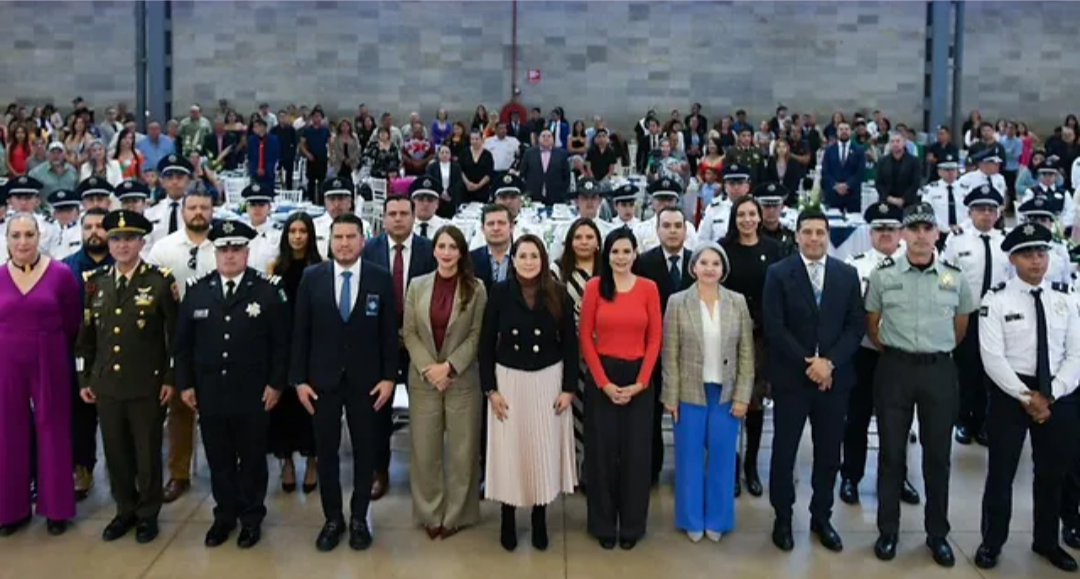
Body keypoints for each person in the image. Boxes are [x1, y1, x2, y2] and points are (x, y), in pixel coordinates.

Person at [865, 202, 976, 567]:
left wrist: (933, 349)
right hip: (894, 369)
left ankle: (937, 533)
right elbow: (873, 325)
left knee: (938, 456)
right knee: (891, 454)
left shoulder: (955, 277)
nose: (921, 236)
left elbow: (960, 328)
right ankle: (888, 530)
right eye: (913, 229)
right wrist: (899, 351)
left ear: (937, 234)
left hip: (938, 371)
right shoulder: (883, 275)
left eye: (927, 228)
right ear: (902, 234)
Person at [174, 220, 290, 550]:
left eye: (236, 249)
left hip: (253, 393)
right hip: (210, 392)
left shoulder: (268, 290)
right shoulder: (197, 290)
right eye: (223, 249)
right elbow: (183, 345)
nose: (229, 255)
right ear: (215, 253)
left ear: (246, 253)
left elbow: (282, 344)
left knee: (252, 460)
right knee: (219, 459)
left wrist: (276, 384)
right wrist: (185, 384)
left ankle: (251, 518)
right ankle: (224, 516)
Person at [975, 222, 1080, 572]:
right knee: (1001, 472)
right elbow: (992, 358)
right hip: (1011, 393)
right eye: (1027, 254)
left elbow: (1076, 354)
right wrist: (1026, 396)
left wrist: (1053, 393)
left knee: (1053, 473)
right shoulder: (996, 299)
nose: (1036, 260)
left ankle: (1047, 540)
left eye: (1041, 253)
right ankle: (992, 542)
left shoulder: (1066, 297)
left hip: (1058, 392)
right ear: (1012, 259)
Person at [290, 214, 397, 552]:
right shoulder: (312, 278)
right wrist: (298, 380)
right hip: (322, 382)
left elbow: (389, 334)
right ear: (329, 241)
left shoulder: (380, 278)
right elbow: (300, 332)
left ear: (363, 241)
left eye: (351, 237)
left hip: (368, 383)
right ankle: (333, 518)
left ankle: (359, 518)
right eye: (339, 237)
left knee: (365, 451)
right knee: (326, 452)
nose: (345, 243)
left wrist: (389, 378)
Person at [761, 208, 864, 553]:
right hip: (792, 379)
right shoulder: (779, 273)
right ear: (797, 235)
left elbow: (855, 326)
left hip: (833, 381)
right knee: (784, 452)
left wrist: (829, 364)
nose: (814, 238)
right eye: (807, 232)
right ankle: (783, 518)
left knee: (829, 454)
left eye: (820, 232)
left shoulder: (847, 275)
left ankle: (822, 517)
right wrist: (810, 364)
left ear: (828, 235)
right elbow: (774, 326)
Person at [76, 210, 179, 543]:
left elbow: (174, 337)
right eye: (117, 239)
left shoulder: (159, 281)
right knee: (116, 453)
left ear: (141, 242)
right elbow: (86, 338)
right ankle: (125, 510)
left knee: (146, 453)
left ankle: (147, 514)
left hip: (146, 384)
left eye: (130, 239)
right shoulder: (96, 282)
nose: (123, 245)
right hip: (107, 385)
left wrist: (170, 377)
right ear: (109, 243)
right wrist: (84, 378)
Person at [480, 234, 577, 552]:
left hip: (547, 380)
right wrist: (490, 389)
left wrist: (569, 389)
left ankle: (539, 517)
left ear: (543, 259)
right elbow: (485, 343)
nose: (528, 261)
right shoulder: (500, 292)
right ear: (514, 260)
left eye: (534, 256)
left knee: (541, 451)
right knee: (510, 451)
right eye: (522, 256)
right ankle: (507, 517)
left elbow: (570, 344)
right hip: (509, 380)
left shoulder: (558, 293)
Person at [662, 242, 753, 542]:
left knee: (723, 458)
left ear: (723, 269)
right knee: (688, 458)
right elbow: (670, 353)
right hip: (689, 393)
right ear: (694, 268)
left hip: (726, 394)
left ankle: (718, 519)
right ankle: (691, 518)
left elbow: (746, 353)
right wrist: (671, 397)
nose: (709, 268)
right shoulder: (678, 302)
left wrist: (742, 395)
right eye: (704, 263)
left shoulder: (737, 302)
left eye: (716, 263)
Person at [402, 225, 487, 540]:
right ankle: (430, 512)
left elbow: (477, 335)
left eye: (453, 247)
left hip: (461, 380)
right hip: (424, 379)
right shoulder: (417, 285)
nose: (447, 252)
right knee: (425, 450)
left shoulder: (476, 288)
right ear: (434, 250)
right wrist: (430, 369)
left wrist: (449, 368)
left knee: (463, 452)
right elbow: (409, 332)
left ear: (461, 252)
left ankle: (457, 515)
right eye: (442, 246)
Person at [580, 227, 663, 550]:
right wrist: (604, 383)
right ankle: (602, 523)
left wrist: (642, 381)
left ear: (635, 253)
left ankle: (631, 525)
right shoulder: (594, 287)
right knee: (601, 454)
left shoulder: (648, 288)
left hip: (640, 377)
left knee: (636, 455)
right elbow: (585, 337)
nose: (621, 257)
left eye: (627, 251)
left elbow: (655, 338)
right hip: (603, 374)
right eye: (615, 251)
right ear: (607, 254)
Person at [0, 212, 82, 536]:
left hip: (50, 357)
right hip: (7, 361)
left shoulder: (61, 275)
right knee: (8, 431)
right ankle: (11, 509)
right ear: (7, 240)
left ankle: (56, 509)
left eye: (29, 235)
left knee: (53, 428)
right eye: (16, 236)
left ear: (40, 236)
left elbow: (72, 320)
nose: (23, 242)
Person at [839, 203, 922, 506]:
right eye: (879, 229)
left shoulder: (917, 264)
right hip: (864, 353)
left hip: (902, 355)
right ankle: (851, 476)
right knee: (857, 418)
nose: (885, 234)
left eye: (891, 228)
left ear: (901, 232)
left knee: (898, 420)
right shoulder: (854, 266)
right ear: (870, 233)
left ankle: (897, 479)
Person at [147, 181, 217, 504]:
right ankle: (178, 474)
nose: (198, 213)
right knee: (179, 408)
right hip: (176, 337)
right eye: (193, 208)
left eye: (204, 207)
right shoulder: (164, 248)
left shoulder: (223, 245)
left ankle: (225, 468)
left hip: (217, 335)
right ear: (183, 210)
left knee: (220, 407)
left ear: (213, 210)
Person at [362, 195, 436, 499]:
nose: (397, 219)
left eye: (404, 213)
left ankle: (423, 473)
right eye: (392, 213)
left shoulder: (429, 250)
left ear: (413, 216)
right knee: (377, 411)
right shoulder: (369, 249)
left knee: (424, 411)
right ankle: (378, 471)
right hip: (379, 344)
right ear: (383, 217)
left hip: (419, 344)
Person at [720, 196, 784, 497]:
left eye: (752, 214)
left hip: (762, 337)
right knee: (729, 402)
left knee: (755, 403)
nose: (747, 220)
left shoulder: (774, 249)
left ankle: (751, 466)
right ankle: (730, 466)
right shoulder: (724, 249)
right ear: (734, 218)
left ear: (759, 217)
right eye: (741, 214)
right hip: (728, 335)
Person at [943, 185, 1011, 446]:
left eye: (991, 210)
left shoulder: (1005, 241)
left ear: (998, 213)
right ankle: (963, 420)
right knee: (965, 370)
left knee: (991, 372)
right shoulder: (957, 241)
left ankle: (984, 422)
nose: (986, 214)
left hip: (995, 318)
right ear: (970, 212)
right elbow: (946, 276)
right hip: (966, 316)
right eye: (980, 209)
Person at [632, 207, 694, 484]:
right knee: (651, 413)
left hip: (690, 351)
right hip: (653, 350)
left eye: (677, 226)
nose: (672, 231)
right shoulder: (643, 263)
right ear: (657, 230)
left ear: (686, 230)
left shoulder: (698, 262)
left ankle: (688, 469)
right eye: (666, 225)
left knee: (689, 412)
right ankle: (652, 467)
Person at [266, 213, 322, 493]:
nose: (298, 236)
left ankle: (312, 462)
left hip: (312, 346)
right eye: (293, 231)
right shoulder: (274, 267)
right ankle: (286, 462)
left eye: (303, 231)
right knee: (283, 408)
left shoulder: (320, 267)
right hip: (282, 345)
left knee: (310, 408)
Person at [62, 208, 113, 501]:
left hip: (116, 354)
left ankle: (125, 472)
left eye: (100, 226)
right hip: (77, 354)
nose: (94, 232)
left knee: (118, 419)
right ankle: (82, 467)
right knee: (79, 418)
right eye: (88, 226)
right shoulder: (65, 268)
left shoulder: (122, 263)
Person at [549, 178, 615, 262]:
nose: (589, 202)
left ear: (600, 201)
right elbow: (554, 260)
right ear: (576, 201)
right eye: (585, 198)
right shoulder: (563, 230)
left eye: (593, 197)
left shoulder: (610, 231)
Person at [633, 179, 699, 253]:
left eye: (670, 200)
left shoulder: (689, 229)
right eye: (661, 200)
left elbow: (695, 255)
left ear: (676, 202)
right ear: (652, 202)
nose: (666, 204)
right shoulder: (641, 230)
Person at [4, 175, 61, 257]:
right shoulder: (2, 224)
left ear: (37, 201)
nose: (23, 203)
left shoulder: (50, 226)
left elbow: (56, 256)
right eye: (18, 198)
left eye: (28, 198)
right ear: (9, 201)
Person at [699, 163, 752, 244]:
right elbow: (702, 239)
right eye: (732, 183)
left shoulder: (756, 209)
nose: (736, 187)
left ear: (747, 186)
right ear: (725, 187)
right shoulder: (714, 209)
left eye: (740, 183)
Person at [820, 122, 865, 213]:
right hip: (833, 194)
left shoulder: (859, 150)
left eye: (846, 129)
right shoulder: (829, 150)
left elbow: (860, 172)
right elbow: (825, 171)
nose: (844, 132)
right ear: (837, 132)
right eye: (841, 129)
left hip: (852, 194)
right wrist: (835, 185)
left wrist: (847, 185)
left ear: (851, 132)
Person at [520, 130, 571, 205]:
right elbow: (523, 172)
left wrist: (562, 192)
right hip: (533, 194)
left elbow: (566, 175)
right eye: (543, 136)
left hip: (556, 195)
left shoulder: (562, 154)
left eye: (549, 136)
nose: (546, 138)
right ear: (538, 138)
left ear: (553, 139)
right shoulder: (529, 153)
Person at [471, 203, 514, 291]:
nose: (496, 228)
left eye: (501, 223)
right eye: (490, 224)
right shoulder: (470, 259)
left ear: (511, 227)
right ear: (482, 228)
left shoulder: (523, 257)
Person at [312, 177, 358, 259]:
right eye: (332, 199)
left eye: (341, 199)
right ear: (325, 201)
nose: (336, 204)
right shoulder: (314, 225)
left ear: (350, 202)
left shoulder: (363, 226)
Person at [921, 154, 965, 239]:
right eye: (946, 170)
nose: (950, 173)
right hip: (938, 233)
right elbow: (927, 211)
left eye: (953, 169)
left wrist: (962, 227)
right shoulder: (930, 190)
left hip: (963, 232)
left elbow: (971, 212)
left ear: (957, 171)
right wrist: (945, 228)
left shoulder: (967, 189)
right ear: (939, 172)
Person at [241, 184, 283, 274]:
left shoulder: (279, 234)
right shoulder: (240, 233)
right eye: (252, 205)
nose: (257, 209)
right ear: (246, 208)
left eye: (261, 205)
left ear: (269, 208)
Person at [757, 185, 797, 255]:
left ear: (782, 207)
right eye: (767, 206)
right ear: (758, 208)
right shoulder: (753, 234)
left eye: (775, 206)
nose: (771, 211)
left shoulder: (790, 235)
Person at [246, 117, 280, 191]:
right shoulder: (251, 139)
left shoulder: (273, 139)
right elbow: (250, 156)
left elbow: (274, 155)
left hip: (269, 172)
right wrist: (255, 169)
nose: (253, 129)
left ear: (263, 127)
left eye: (256, 127)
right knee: (256, 191)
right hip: (255, 172)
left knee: (268, 192)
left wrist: (266, 168)